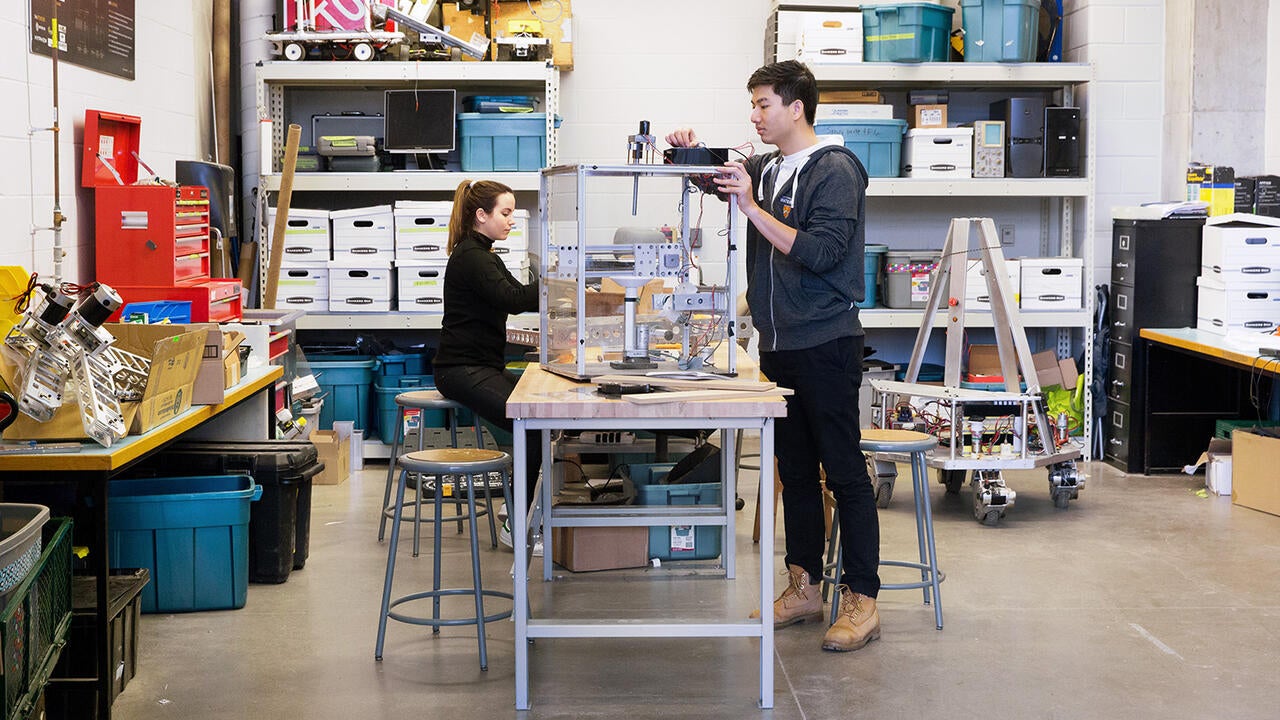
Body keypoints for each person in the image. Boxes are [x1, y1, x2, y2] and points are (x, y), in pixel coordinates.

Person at [667, 59, 880, 652]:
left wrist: (751, 210)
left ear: (796, 107)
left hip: (826, 343)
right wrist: (685, 152)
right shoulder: (768, 167)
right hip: (779, 347)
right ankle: (805, 585)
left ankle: (863, 598)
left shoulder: (834, 170)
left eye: (764, 104)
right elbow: (716, 177)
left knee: (843, 472)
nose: (755, 115)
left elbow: (823, 252)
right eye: (754, 104)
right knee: (795, 472)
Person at [432, 180, 541, 547]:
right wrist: (558, 283)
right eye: (505, 213)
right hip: (460, 370)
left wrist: (555, 286)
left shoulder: (485, 254)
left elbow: (517, 294)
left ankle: (514, 508)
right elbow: (514, 299)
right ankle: (516, 525)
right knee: (532, 427)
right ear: (481, 215)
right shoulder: (472, 257)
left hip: (481, 367)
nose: (511, 220)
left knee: (537, 417)